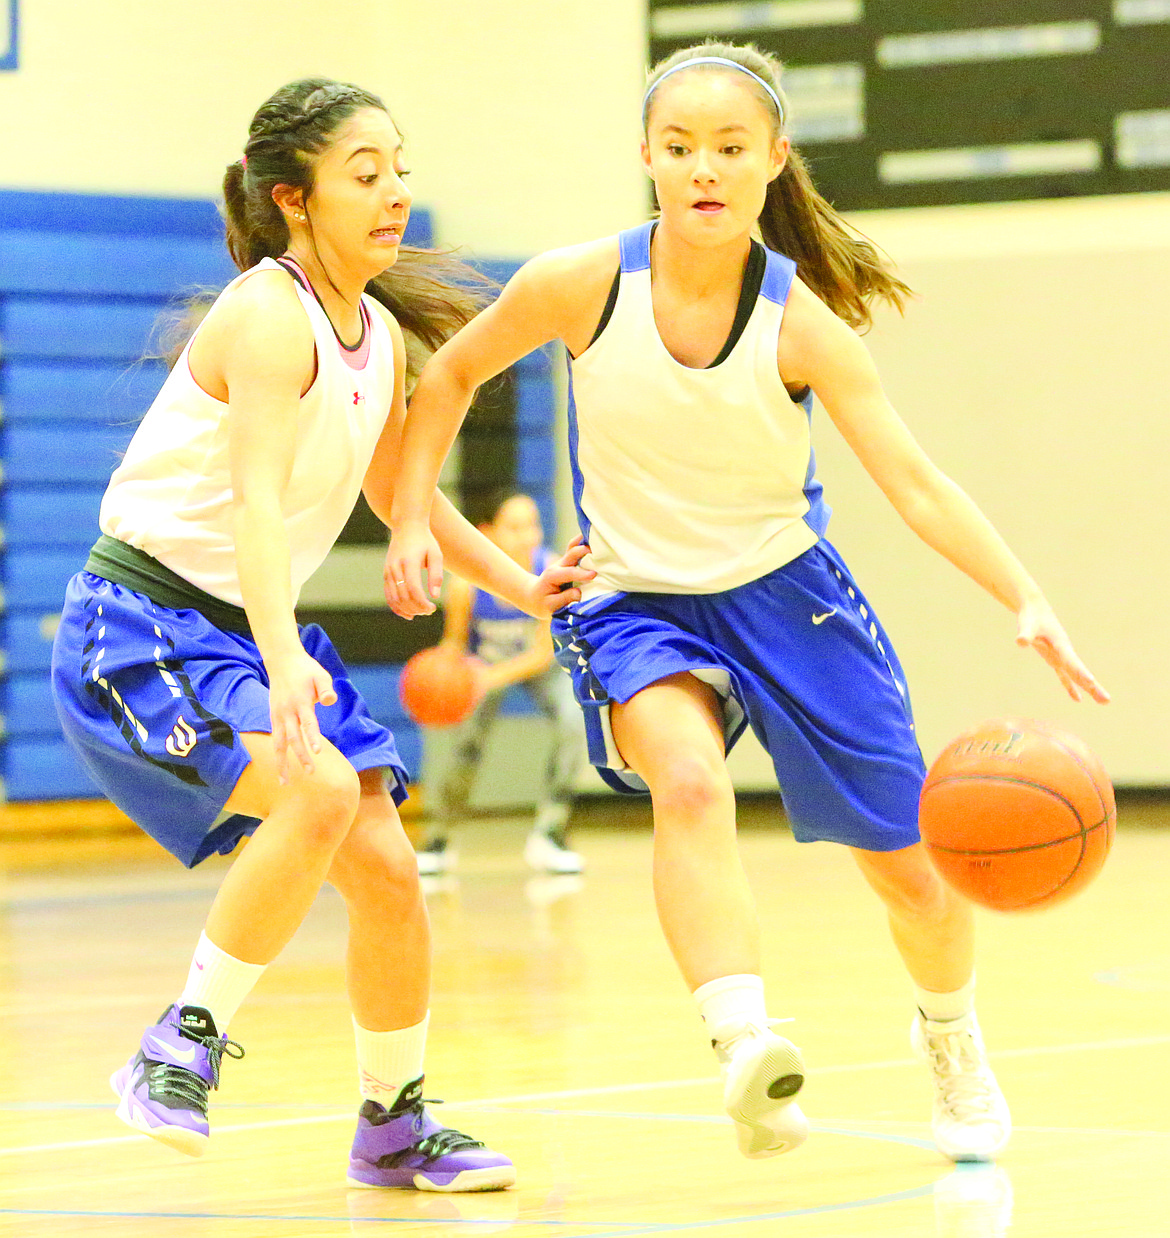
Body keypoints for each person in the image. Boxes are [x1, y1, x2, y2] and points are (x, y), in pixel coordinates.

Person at [381, 41, 1110, 1166]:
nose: (704, 170)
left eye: (729, 149)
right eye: (680, 149)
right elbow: (448, 377)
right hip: (635, 602)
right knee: (684, 779)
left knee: (911, 868)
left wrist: (1026, 594)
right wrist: (411, 517)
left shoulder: (801, 320)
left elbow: (915, 483)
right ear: (647, 158)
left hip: (788, 594)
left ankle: (954, 1040)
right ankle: (744, 1041)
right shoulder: (580, 282)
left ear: (775, 158)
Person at [50, 77, 590, 1191]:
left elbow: (414, 494)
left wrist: (522, 586)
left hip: (243, 635)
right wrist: (286, 648)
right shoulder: (262, 312)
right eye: (366, 172)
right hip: (142, 622)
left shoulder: (379, 333)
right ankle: (177, 1046)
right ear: (295, 199)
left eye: (400, 167)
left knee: (390, 872)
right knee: (320, 791)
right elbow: (253, 500)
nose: (395, 191)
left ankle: (395, 1124)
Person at [416, 488, 587, 877]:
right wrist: (441, 675)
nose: (528, 535)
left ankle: (551, 831)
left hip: (534, 667)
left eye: (533, 525)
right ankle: (438, 837)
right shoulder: (466, 587)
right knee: (465, 742)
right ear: (487, 532)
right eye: (515, 527)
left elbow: (541, 655)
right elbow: (454, 645)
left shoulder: (551, 573)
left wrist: (484, 679)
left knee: (574, 721)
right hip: (482, 667)